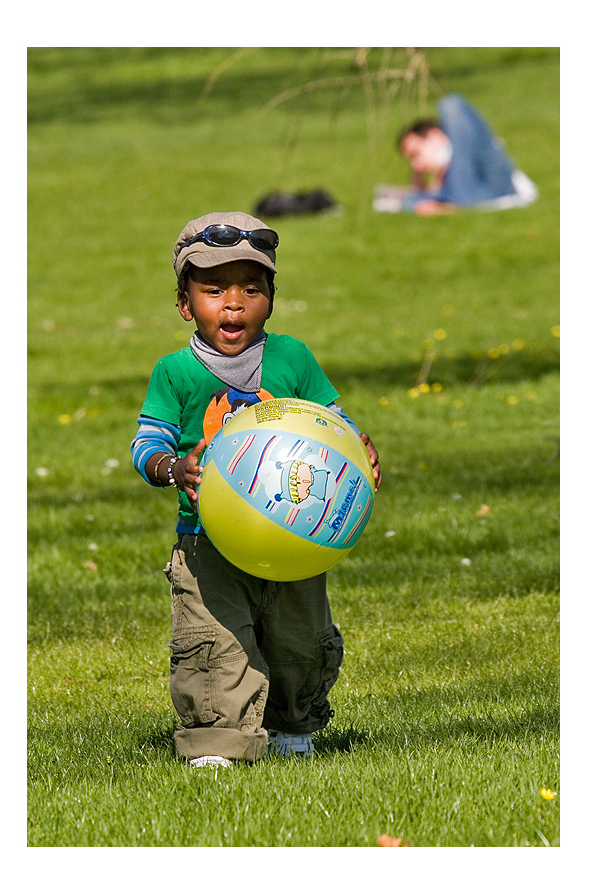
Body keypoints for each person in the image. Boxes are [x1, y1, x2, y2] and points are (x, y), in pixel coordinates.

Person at [131, 211, 382, 767]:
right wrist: (174, 468)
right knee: (216, 643)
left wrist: (358, 452)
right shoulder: (176, 373)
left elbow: (330, 425)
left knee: (299, 639)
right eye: (214, 290)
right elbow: (145, 444)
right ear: (184, 303)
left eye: (251, 288)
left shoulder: (293, 358)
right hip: (207, 543)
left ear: (271, 296)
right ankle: (217, 743)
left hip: (297, 536)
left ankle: (293, 726)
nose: (233, 303)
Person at [373, 93, 538, 216]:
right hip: (466, 196)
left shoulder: (467, 157)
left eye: (416, 154)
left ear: (435, 135)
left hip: (491, 190)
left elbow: (454, 107)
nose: (416, 165)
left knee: (449, 104)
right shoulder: (449, 183)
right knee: (406, 201)